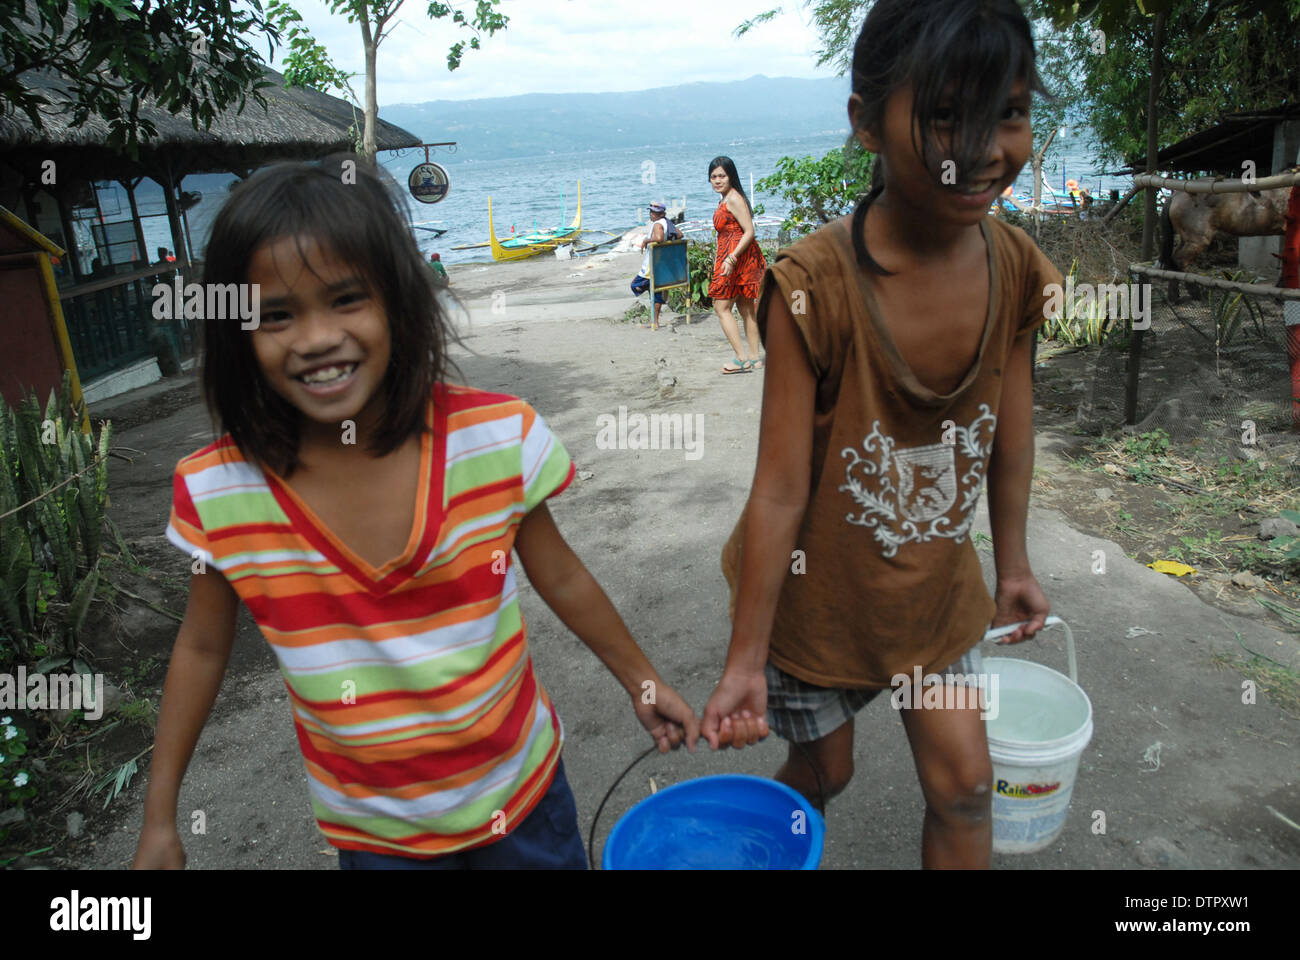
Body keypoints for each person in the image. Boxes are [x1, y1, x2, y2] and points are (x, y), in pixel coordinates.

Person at [131, 157, 699, 870]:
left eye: (346, 299)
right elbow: (202, 647)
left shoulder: (494, 439)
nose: (315, 338)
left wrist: (642, 680)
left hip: (520, 799)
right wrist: (160, 816)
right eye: (276, 314)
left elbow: (561, 575)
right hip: (377, 839)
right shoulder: (218, 492)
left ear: (399, 303)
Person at [701, 0, 1062, 869]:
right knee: (825, 773)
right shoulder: (811, 289)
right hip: (814, 604)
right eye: (945, 116)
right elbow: (780, 488)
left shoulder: (1015, 268)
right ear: (866, 122)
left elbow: (1012, 432)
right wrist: (745, 661)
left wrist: (1011, 563)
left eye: (1007, 113)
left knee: (967, 787)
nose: (982, 149)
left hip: (933, 600)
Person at [707, 157, 767, 373]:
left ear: (731, 176)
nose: (717, 180)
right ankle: (754, 357)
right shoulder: (726, 199)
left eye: (722, 175)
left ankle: (741, 359)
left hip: (737, 257)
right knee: (745, 307)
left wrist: (730, 258)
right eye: (713, 177)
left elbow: (749, 231)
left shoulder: (733, 198)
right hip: (737, 256)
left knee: (721, 307)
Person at [630, 201, 675, 330]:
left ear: (661, 214)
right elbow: (679, 234)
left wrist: (646, 240)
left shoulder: (657, 224)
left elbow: (659, 238)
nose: (651, 214)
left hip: (652, 266)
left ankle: (654, 320)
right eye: (650, 211)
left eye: (654, 212)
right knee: (656, 292)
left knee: (635, 286)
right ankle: (655, 321)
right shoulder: (668, 223)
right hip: (663, 266)